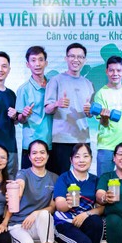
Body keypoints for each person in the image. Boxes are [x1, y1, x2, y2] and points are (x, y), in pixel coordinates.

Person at [7, 139, 61, 243]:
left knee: (45, 214)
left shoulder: (54, 178)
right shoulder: (23, 173)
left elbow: (52, 207)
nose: (38, 156)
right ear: (29, 157)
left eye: (42, 152)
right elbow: (20, 185)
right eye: (34, 153)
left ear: (48, 156)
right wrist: (16, 190)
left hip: (38, 225)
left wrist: (36, 213)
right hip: (18, 225)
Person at [53, 143, 105, 243]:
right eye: (77, 156)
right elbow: (59, 205)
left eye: (85, 156)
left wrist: (86, 214)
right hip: (64, 224)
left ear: (91, 159)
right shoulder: (64, 178)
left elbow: (101, 208)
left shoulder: (95, 180)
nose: (81, 160)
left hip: (83, 221)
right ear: (71, 160)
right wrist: (68, 204)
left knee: (96, 221)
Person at [44, 43, 95, 175]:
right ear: (66, 58)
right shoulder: (55, 80)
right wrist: (57, 103)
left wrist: (90, 111)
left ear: (85, 60)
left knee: (82, 177)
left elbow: (90, 114)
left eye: (80, 57)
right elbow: (47, 109)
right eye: (72, 56)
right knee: (60, 177)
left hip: (83, 139)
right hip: (61, 139)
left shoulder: (88, 84)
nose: (75, 60)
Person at [92, 56, 122, 175]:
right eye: (111, 70)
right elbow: (103, 123)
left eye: (118, 70)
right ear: (106, 71)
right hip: (107, 146)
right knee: (104, 182)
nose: (115, 74)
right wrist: (104, 117)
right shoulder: (101, 94)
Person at [15, 46, 56, 173]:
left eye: (40, 60)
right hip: (31, 144)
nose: (37, 64)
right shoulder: (23, 89)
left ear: (46, 63)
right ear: (27, 64)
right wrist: (24, 115)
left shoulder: (54, 86)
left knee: (52, 180)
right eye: (33, 60)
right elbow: (19, 119)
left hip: (52, 143)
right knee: (27, 180)